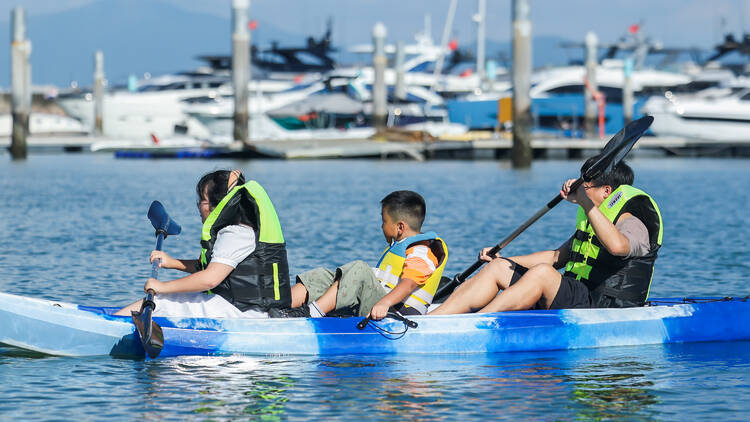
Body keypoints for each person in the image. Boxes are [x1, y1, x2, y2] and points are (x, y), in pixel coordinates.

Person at [430, 160, 662, 315]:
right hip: (579, 295)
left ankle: (477, 323)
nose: (579, 190)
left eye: (585, 186)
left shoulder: (632, 219)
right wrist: (506, 260)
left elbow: (618, 246)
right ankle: (435, 321)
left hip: (608, 307)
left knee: (542, 275)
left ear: (606, 191)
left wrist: (585, 203)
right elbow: (554, 257)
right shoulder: (594, 221)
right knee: (500, 267)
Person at [115, 169, 292, 318]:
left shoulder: (236, 233)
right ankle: (116, 320)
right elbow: (210, 269)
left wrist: (162, 287)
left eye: (203, 200)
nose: (199, 205)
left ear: (217, 203)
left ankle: (114, 325)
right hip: (240, 309)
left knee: (162, 302)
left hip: (246, 316)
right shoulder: (237, 231)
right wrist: (172, 263)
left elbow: (209, 280)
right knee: (178, 299)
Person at [269, 190, 449, 320]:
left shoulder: (422, 250)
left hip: (396, 313)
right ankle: (276, 308)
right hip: (380, 303)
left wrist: (385, 303)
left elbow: (409, 284)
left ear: (400, 227)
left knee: (360, 269)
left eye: (384, 221)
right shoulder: (400, 245)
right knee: (324, 276)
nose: (381, 226)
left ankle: (311, 314)